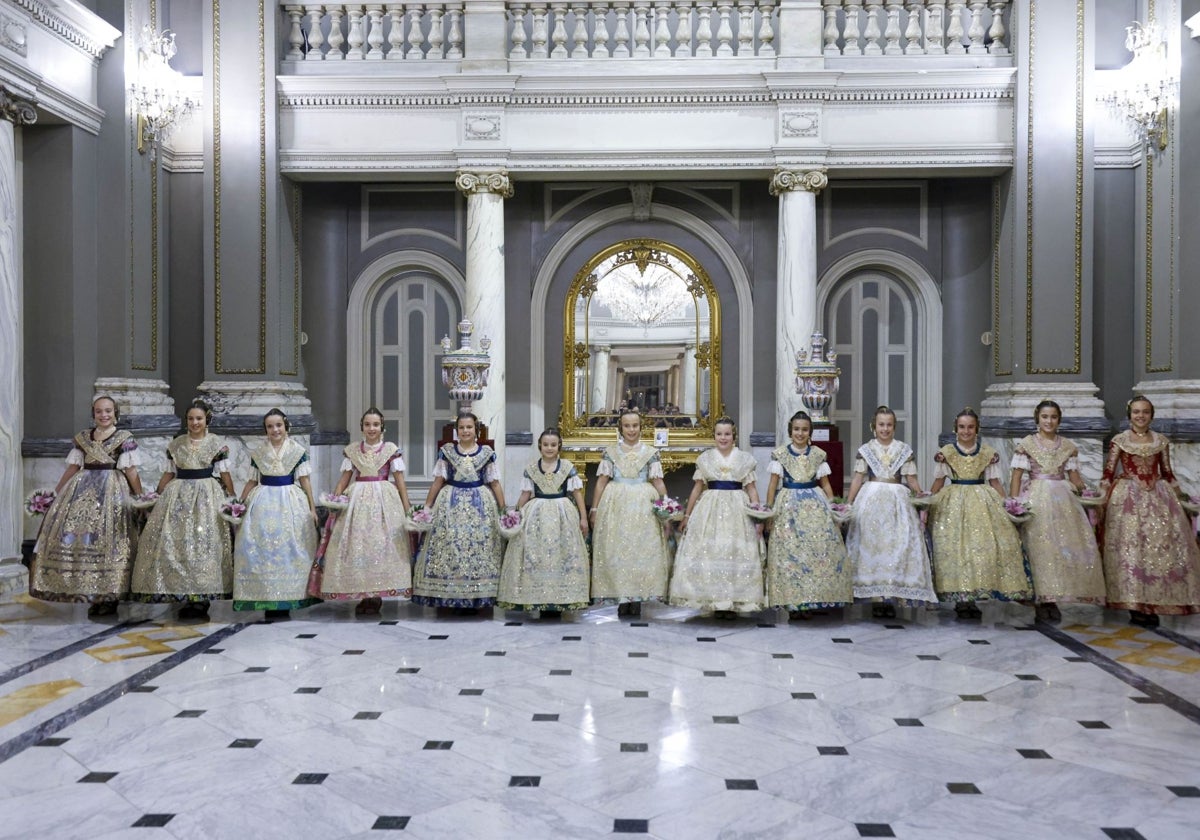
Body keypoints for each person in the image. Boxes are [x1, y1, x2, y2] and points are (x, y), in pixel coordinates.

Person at [30, 395, 144, 617]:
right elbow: (73, 468)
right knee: (84, 541)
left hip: (113, 491)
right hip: (82, 489)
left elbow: (131, 471)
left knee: (111, 540)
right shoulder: (82, 438)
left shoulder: (124, 438)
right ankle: (91, 591)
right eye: (99, 411)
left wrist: (140, 496)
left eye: (108, 411)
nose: (104, 415)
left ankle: (111, 594)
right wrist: (56, 492)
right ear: (93, 413)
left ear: (115, 413)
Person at [129, 399, 236, 620]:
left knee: (203, 543)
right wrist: (156, 496)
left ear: (207, 420)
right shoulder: (176, 444)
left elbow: (224, 474)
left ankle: (202, 598)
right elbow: (169, 473)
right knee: (178, 544)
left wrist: (233, 499)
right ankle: (183, 593)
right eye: (190, 418)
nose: (195, 422)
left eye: (199, 418)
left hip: (206, 494)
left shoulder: (217, 444)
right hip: (177, 495)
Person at [1099, 395, 1200, 626]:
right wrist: (1102, 498)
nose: (1140, 416)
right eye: (1136, 412)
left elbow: (1168, 472)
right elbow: (1108, 473)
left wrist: (1183, 498)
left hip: (1158, 497)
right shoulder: (1120, 441)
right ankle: (1134, 604)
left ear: (1151, 415)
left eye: (1145, 412)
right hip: (1128, 498)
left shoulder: (1161, 441)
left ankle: (1153, 602)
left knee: (1157, 551)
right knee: (1131, 551)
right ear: (1129, 415)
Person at [927, 407, 1032, 619]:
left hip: (982, 502)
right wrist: (927, 504)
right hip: (953, 502)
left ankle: (974, 596)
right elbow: (938, 483)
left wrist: (1007, 504)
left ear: (977, 429)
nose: (966, 431)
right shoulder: (947, 453)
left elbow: (994, 482)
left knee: (979, 549)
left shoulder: (988, 453)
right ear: (955, 429)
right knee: (955, 549)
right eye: (962, 427)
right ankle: (959, 597)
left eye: (970, 427)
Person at [1009, 399, 1105, 622]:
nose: (1049, 421)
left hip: (1063, 500)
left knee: (1059, 548)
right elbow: (1016, 477)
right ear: (1037, 419)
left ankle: (1054, 596)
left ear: (1059, 420)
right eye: (1044, 417)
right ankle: (1041, 599)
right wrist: (1013, 502)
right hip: (1036, 499)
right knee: (1039, 548)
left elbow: (1075, 478)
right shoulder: (1026, 444)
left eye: (1053, 417)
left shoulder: (1068, 447)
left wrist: (1086, 494)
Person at [310, 408, 413, 615]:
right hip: (356, 501)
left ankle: (375, 596)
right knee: (358, 546)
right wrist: (335, 500)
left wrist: (407, 508)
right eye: (367, 424)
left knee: (378, 546)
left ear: (382, 427)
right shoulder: (353, 451)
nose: (371, 428)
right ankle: (362, 594)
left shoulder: (390, 450)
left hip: (384, 501)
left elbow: (400, 483)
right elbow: (344, 480)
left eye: (375, 424)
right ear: (362, 427)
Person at [845, 405, 937, 618]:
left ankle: (891, 594)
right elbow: (858, 477)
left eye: (889, 425)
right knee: (872, 544)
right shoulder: (866, 449)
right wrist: (848, 504)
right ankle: (875, 595)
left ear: (894, 427)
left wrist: (920, 497)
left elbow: (911, 479)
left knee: (896, 545)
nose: (884, 429)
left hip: (897, 500)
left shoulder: (903, 450)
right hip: (871, 499)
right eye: (881, 425)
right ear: (873, 426)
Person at [669, 417, 764, 617]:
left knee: (734, 551)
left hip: (738, 508)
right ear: (714, 436)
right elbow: (696, 489)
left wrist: (758, 516)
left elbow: (752, 490)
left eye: (727, 434)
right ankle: (713, 600)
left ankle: (732, 601)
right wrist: (687, 515)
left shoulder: (744, 459)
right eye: (719, 434)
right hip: (710, 508)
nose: (723, 438)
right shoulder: (705, 459)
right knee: (710, 551)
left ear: (733, 436)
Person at [412, 412, 506, 613]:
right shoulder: (447, 451)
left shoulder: (486, 453)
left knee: (479, 547)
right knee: (451, 546)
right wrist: (427, 507)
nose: (465, 431)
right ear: (457, 430)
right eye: (462, 428)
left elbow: (495, 483)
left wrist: (503, 509)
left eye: (469, 427)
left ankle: (478, 595)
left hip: (480, 505)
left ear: (476, 430)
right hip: (450, 504)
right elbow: (438, 481)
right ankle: (451, 595)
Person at [232, 409, 320, 619]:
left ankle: (287, 600)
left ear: (285, 426)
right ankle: (266, 599)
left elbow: (305, 481)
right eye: (270, 426)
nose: (275, 430)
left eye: (278, 425)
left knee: (289, 547)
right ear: (266, 430)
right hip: (262, 502)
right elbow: (252, 480)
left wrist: (312, 507)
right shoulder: (259, 452)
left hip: (290, 500)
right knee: (261, 549)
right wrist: (240, 504)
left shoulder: (296, 451)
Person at [764, 410, 852, 617]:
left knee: (815, 551)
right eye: (796, 429)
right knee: (791, 553)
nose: (800, 433)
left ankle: (813, 599)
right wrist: (769, 511)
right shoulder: (780, 455)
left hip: (815, 504)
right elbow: (772, 486)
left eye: (804, 430)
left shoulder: (818, 455)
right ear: (790, 431)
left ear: (810, 432)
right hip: (789, 505)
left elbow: (826, 485)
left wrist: (833, 507)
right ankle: (794, 603)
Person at [497, 428, 590, 617]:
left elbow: (577, 494)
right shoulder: (531, 469)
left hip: (563, 514)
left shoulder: (567, 467)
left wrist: (583, 517)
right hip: (536, 514)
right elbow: (525, 495)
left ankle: (560, 599)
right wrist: (514, 514)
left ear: (559, 447)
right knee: (535, 554)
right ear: (540, 446)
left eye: (553, 445)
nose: (549, 448)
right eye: (546, 445)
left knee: (562, 554)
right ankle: (538, 598)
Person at [590, 409, 670, 616]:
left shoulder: (650, 453)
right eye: (627, 426)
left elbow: (658, 482)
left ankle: (638, 597)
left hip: (643, 505)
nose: (631, 430)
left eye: (635, 426)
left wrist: (665, 505)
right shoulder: (611, 452)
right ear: (620, 428)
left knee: (641, 550)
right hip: (616, 503)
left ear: (641, 427)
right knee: (618, 550)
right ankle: (622, 597)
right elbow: (601, 482)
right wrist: (595, 508)